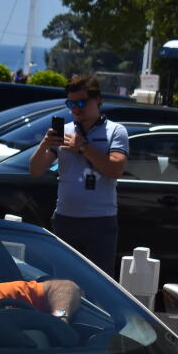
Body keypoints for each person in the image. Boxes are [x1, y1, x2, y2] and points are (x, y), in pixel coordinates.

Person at [27, 75, 128, 274]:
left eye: (82, 102)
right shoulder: (64, 131)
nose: (76, 108)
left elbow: (115, 169)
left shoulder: (116, 131)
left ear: (97, 99)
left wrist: (83, 147)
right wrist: (45, 144)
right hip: (66, 218)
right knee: (64, 280)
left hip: (100, 221)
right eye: (71, 103)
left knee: (99, 282)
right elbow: (35, 170)